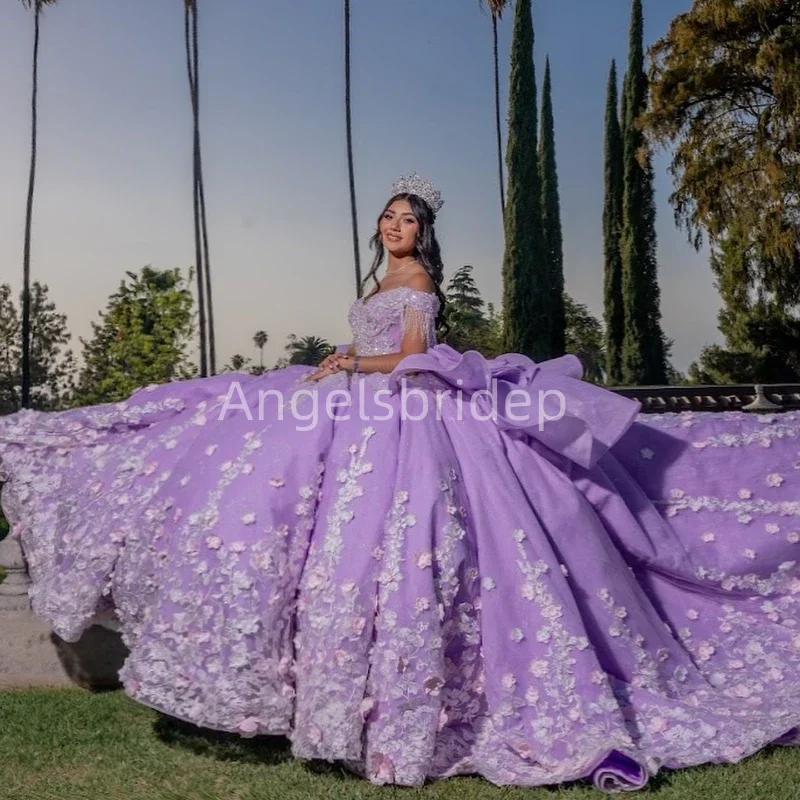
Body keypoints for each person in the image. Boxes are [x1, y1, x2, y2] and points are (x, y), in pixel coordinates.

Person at [0, 173, 798, 791]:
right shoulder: (378, 284)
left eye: (408, 219)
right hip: (356, 403)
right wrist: (337, 363)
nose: (396, 225)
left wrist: (353, 361)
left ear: (424, 233)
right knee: (242, 462)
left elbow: (412, 354)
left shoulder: (415, 288)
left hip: (401, 412)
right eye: (389, 216)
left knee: (403, 537)